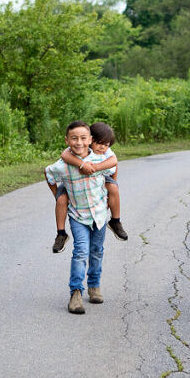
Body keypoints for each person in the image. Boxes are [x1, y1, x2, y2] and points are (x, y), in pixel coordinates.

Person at [45, 120, 116, 314]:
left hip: (99, 214)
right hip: (78, 216)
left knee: (97, 251)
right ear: (67, 140)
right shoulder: (63, 166)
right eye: (74, 138)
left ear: (90, 139)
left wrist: (110, 193)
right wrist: (59, 196)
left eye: (83, 138)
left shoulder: (99, 159)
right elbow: (48, 174)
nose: (79, 142)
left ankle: (94, 286)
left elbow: (113, 168)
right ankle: (75, 293)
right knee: (81, 252)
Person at [52, 122, 128, 254]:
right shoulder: (80, 147)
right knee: (61, 200)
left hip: (99, 176)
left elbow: (114, 162)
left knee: (113, 188)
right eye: (99, 143)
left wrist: (96, 169)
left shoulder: (105, 150)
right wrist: (82, 164)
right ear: (91, 140)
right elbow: (64, 155)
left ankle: (115, 221)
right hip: (72, 179)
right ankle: (61, 233)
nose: (103, 147)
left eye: (106, 144)